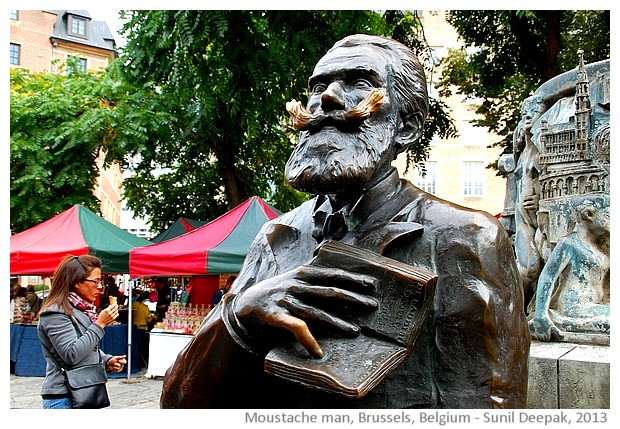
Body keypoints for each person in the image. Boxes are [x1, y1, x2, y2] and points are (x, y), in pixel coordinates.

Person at [160, 34, 529, 409]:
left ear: (407, 127)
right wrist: (239, 316)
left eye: (360, 83)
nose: (327, 98)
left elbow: (488, 404)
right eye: (318, 86)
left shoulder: (463, 239)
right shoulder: (275, 238)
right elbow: (179, 404)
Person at [37, 255, 127, 409]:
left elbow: (86, 347)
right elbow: (72, 354)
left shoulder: (82, 310)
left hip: (86, 391)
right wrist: (100, 323)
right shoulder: (55, 313)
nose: (100, 287)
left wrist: (106, 360)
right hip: (64, 397)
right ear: (77, 282)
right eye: (95, 281)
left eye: (100, 281)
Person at [529, 195, 610, 341]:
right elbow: (548, 276)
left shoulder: (600, 248)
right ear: (589, 215)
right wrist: (540, 315)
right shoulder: (570, 243)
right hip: (575, 308)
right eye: (608, 215)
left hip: (593, 306)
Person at [133, 291, 154, 368]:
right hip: (143, 328)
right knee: (143, 347)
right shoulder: (145, 307)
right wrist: (153, 317)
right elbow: (149, 319)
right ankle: (143, 362)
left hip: (134, 327)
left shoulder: (133, 305)